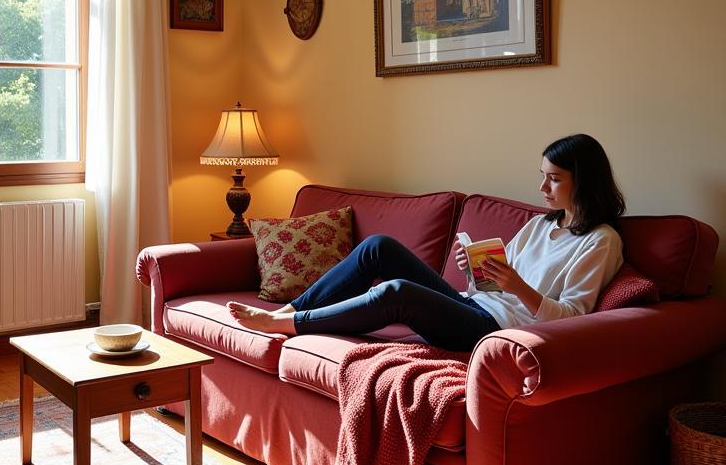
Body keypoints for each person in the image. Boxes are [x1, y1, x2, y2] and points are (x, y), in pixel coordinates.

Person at [228, 134, 625, 352]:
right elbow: (490, 289)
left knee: (396, 291)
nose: (541, 187)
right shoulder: (541, 224)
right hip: (475, 305)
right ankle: (292, 308)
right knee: (379, 246)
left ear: (583, 181)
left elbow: (576, 318)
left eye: (554, 178)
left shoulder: (601, 242)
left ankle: (289, 324)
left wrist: (516, 286)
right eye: (542, 175)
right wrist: (476, 272)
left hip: (493, 330)